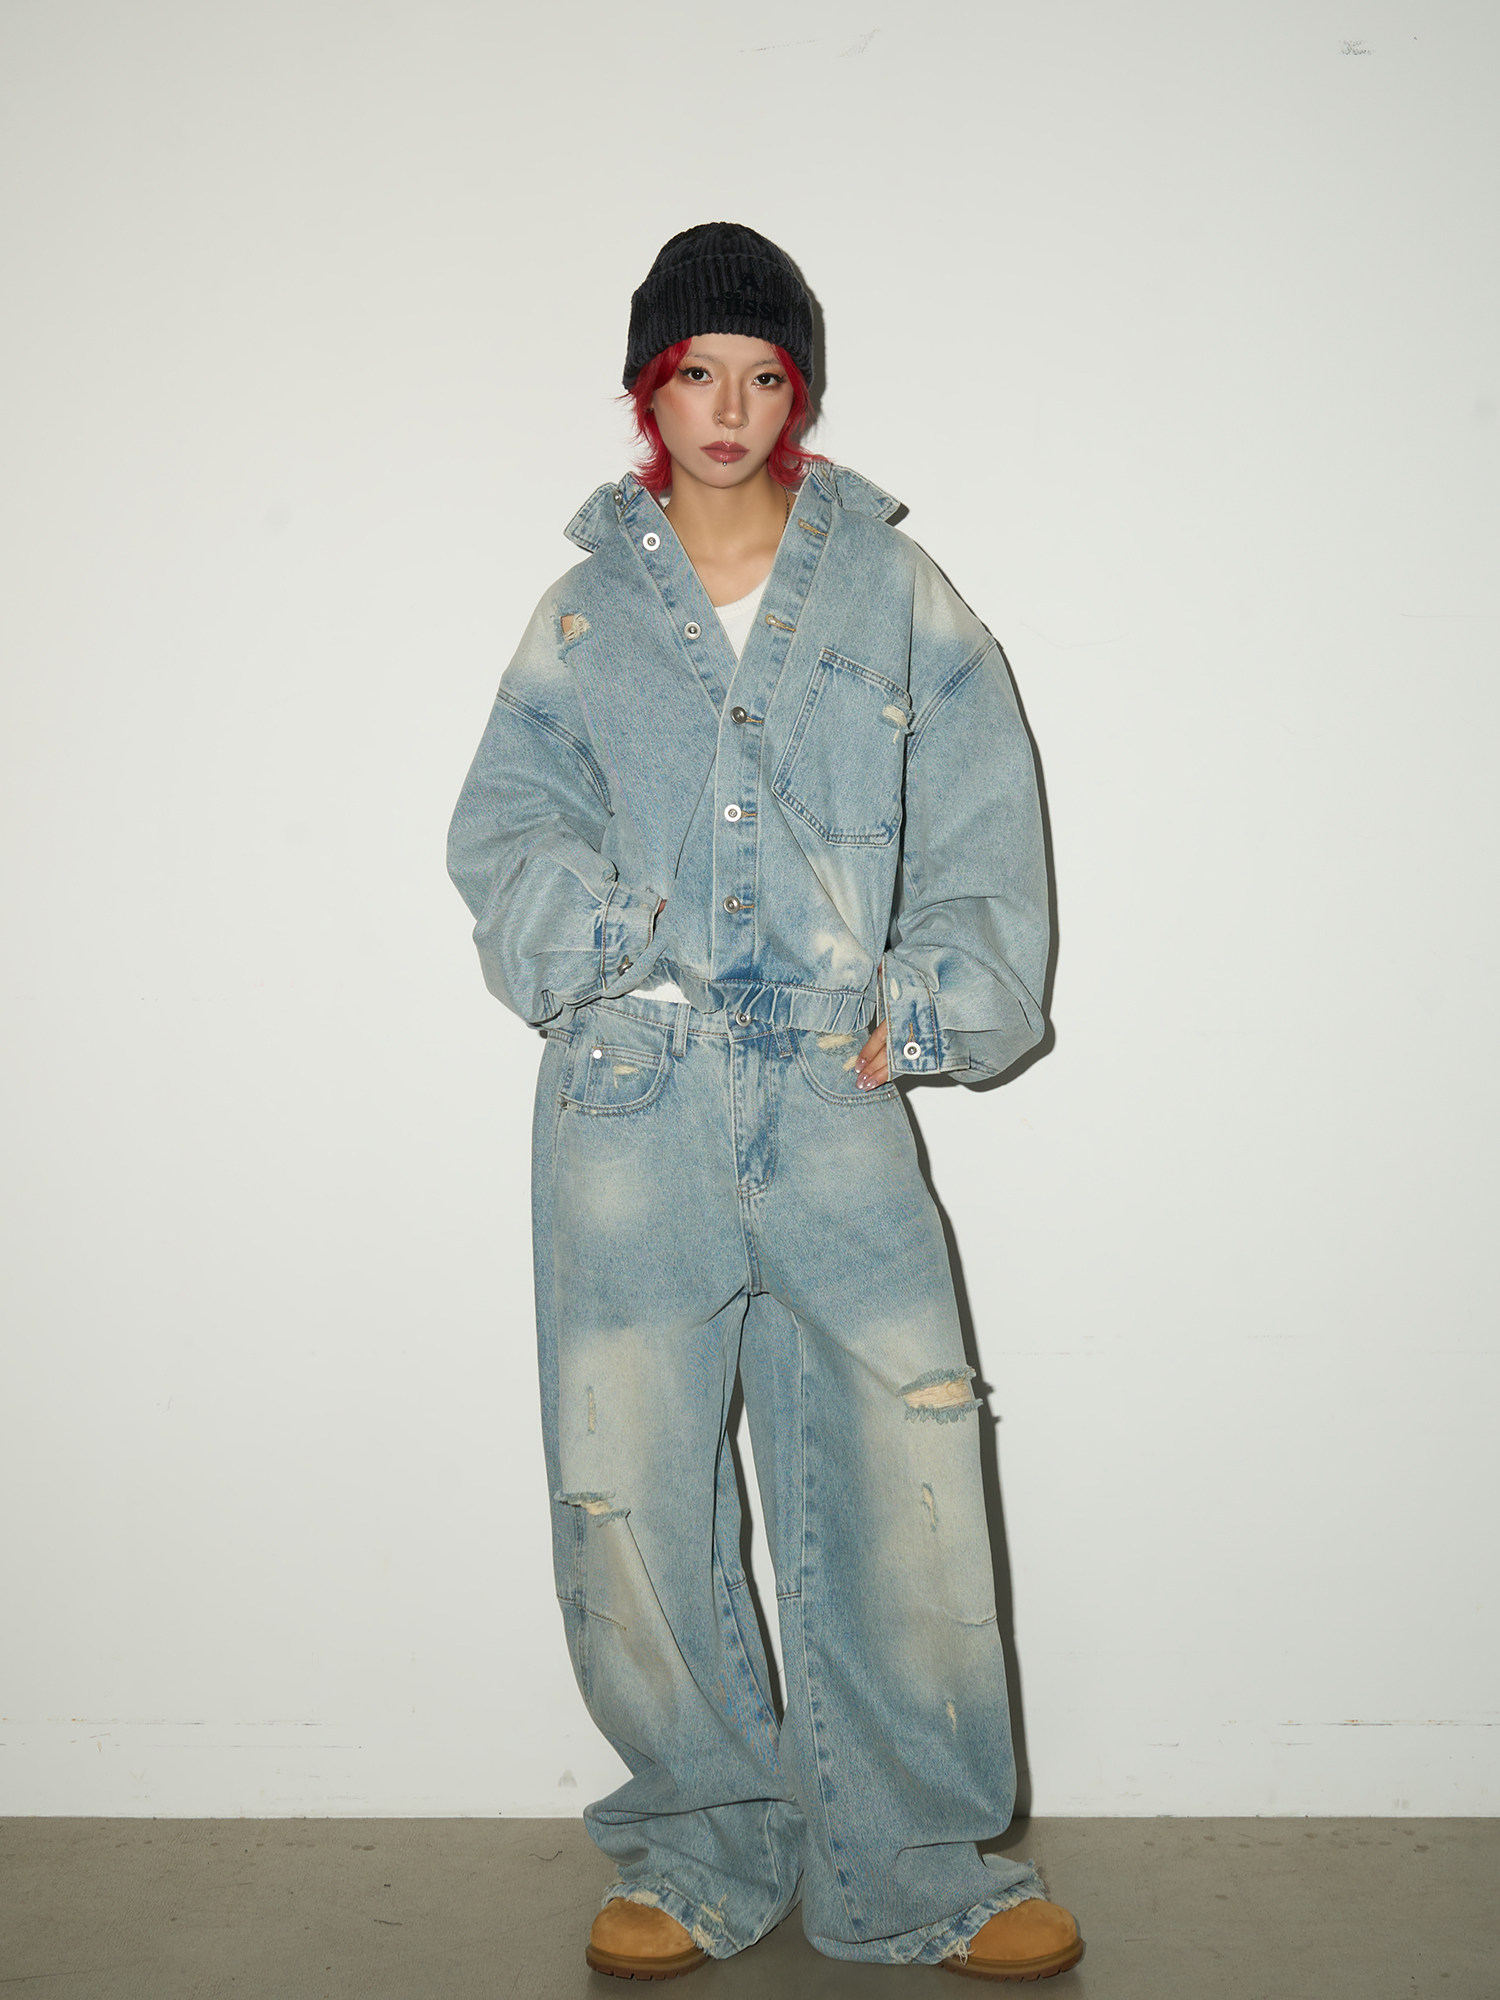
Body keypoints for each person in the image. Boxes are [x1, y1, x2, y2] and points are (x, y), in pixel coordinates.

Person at [446, 221, 1082, 1982]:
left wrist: (931, 1001)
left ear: (799, 392)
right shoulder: (584, 611)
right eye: (695, 374)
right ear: (647, 391)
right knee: (630, 1487)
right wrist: (595, 945)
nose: (728, 407)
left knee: (906, 1457)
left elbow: (984, 812)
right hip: (628, 1090)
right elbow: (506, 824)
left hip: (830, 1081)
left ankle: (918, 1866)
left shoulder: (893, 590)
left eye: (763, 374)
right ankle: (701, 1847)